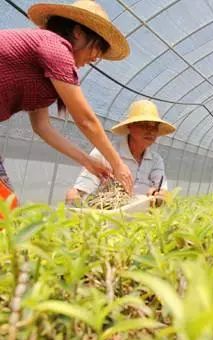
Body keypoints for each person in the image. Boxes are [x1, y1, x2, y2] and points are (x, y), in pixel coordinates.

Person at [0, 0, 134, 206]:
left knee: (6, 209)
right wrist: (118, 164)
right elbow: (85, 119)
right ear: (78, 32)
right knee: (5, 211)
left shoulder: (46, 66)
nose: (96, 57)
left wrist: (88, 161)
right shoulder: (54, 46)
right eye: (98, 47)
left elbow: (42, 127)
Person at [66, 100, 175, 205]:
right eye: (144, 124)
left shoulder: (155, 160)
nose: (150, 131)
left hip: (142, 217)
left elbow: (162, 189)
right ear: (130, 126)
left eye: (154, 127)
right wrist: (76, 196)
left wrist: (160, 195)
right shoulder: (105, 152)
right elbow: (82, 189)